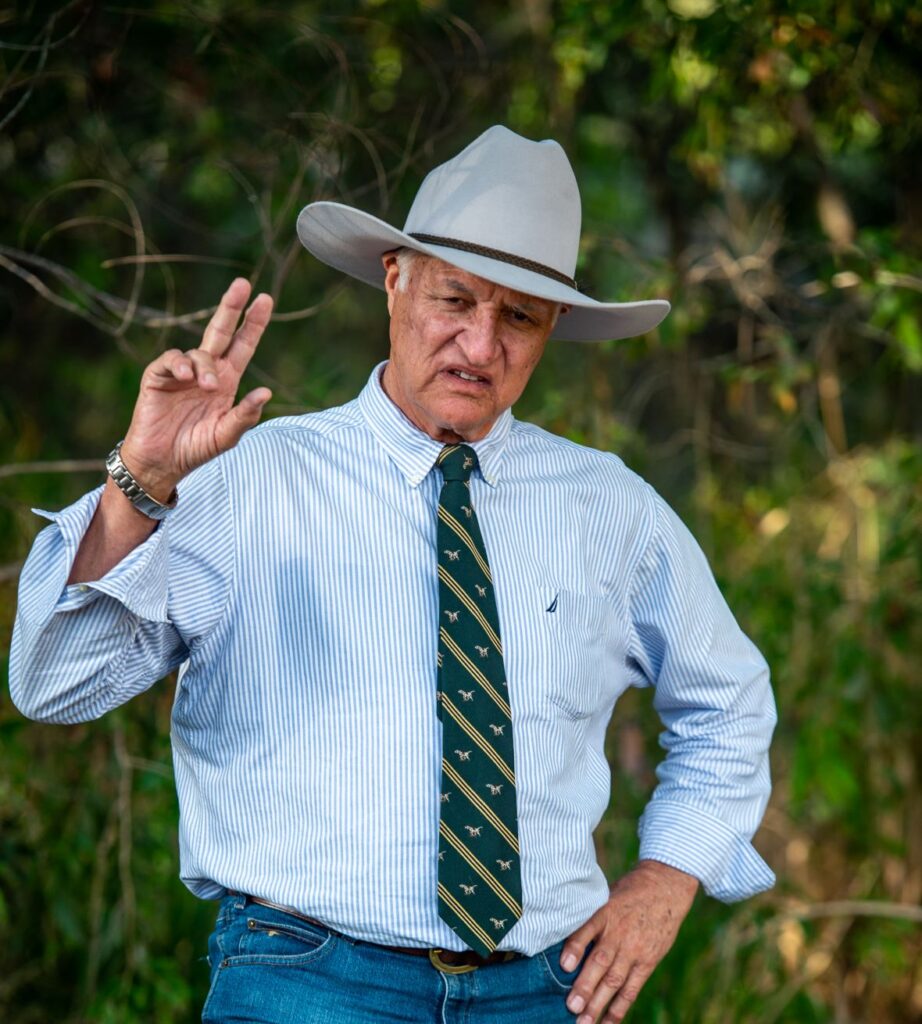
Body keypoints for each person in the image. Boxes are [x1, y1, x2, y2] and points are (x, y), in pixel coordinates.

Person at [10, 126, 776, 1024]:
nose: (479, 346)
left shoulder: (610, 507)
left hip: (542, 991)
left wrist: (668, 877)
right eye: (455, 299)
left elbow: (728, 702)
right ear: (394, 281)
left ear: (553, 329)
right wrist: (139, 482)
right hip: (307, 982)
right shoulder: (247, 479)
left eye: (519, 317)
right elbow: (53, 684)